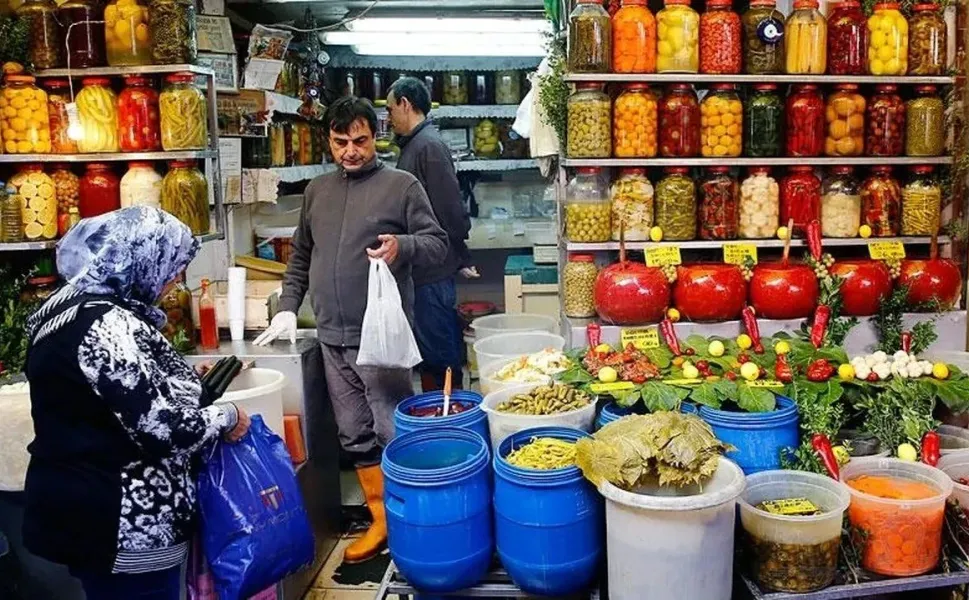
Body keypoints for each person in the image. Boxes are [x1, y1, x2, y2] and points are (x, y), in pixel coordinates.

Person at [254, 96, 448, 563]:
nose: (351, 151)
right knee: (353, 434)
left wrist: (401, 246)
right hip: (330, 336)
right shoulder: (318, 191)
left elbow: (437, 245)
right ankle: (381, 520)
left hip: (379, 339)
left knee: (390, 429)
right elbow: (300, 256)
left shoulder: (401, 186)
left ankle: (413, 519)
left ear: (375, 135)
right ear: (330, 141)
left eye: (360, 141)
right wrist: (287, 307)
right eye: (341, 142)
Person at [22, 206, 251, 600]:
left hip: (80, 509)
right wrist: (225, 417)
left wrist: (191, 389)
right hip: (121, 520)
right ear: (140, 258)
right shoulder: (107, 324)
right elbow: (164, 430)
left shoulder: (65, 310)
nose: (176, 278)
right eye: (172, 265)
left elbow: (106, 401)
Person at [386, 77, 474, 392]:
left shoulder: (428, 146)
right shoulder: (415, 145)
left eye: (390, 108)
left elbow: (449, 206)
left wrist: (460, 252)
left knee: (440, 350)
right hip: (421, 268)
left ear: (405, 105)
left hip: (432, 269)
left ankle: (451, 416)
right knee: (429, 348)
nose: (389, 116)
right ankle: (437, 410)